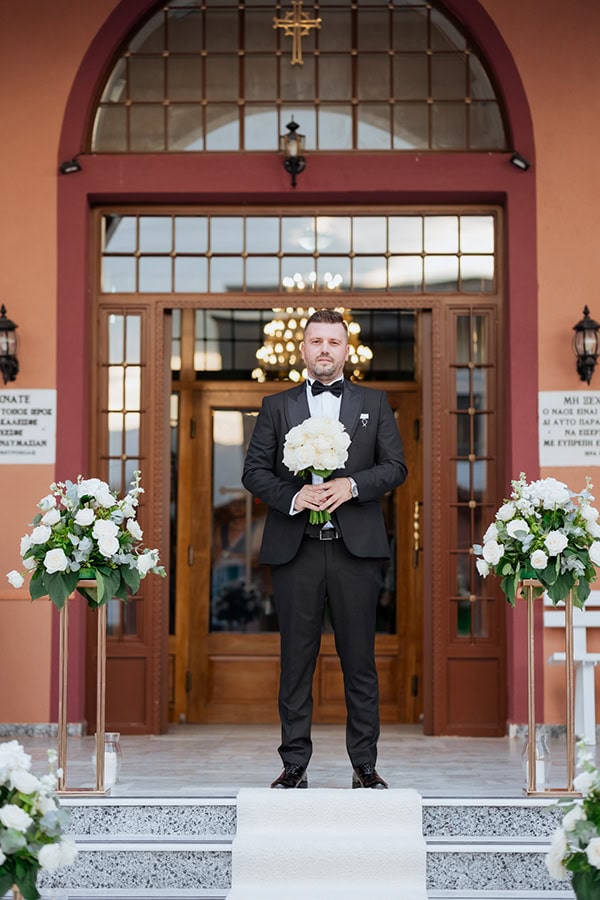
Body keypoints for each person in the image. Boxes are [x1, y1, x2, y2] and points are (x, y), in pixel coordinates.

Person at [242, 309, 407, 789]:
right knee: (296, 660)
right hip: (298, 550)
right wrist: (294, 496)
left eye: (333, 342)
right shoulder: (276, 405)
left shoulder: (374, 404)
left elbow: (396, 467)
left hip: (357, 552)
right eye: (316, 341)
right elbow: (254, 471)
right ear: (302, 350)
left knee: (360, 661)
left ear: (346, 350)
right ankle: (294, 765)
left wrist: (352, 486)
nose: (325, 350)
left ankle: (365, 765)